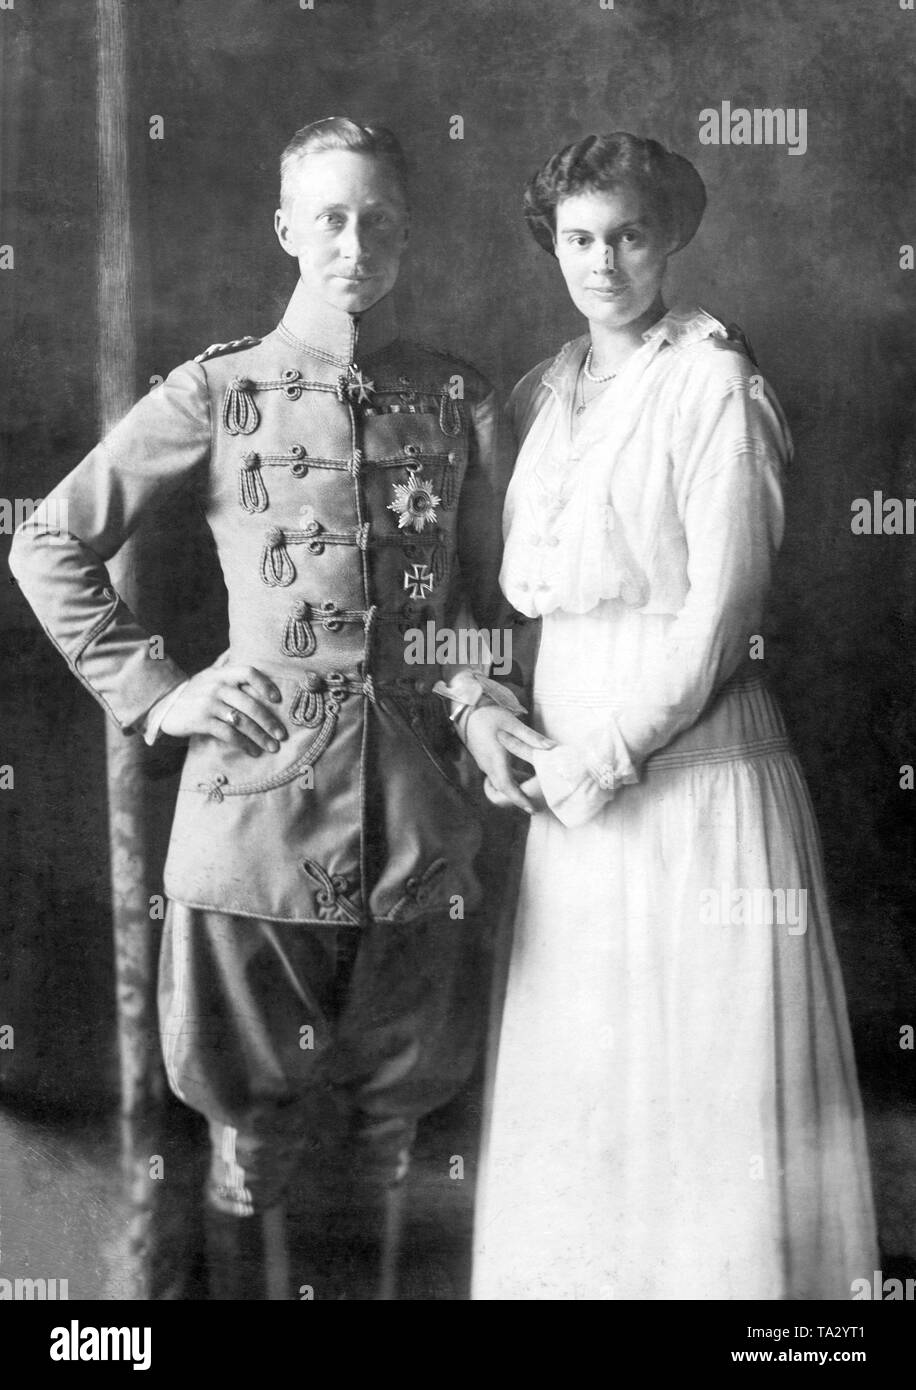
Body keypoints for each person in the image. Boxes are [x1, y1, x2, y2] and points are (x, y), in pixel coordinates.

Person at [9, 116, 545, 1300]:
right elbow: (49, 540)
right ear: (287, 231)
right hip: (252, 818)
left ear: (404, 236)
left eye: (380, 221)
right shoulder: (217, 389)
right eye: (333, 219)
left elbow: (491, 600)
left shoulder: (455, 397)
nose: (357, 244)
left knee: (393, 1128)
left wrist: (475, 697)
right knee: (250, 1134)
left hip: (418, 821)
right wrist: (162, 689)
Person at [468, 132, 878, 1300]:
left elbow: (721, 616)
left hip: (687, 783)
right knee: (589, 1101)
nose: (603, 262)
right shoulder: (546, 393)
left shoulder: (711, 381)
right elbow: (523, 597)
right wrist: (496, 715)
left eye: (629, 236)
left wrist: (602, 755)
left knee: (701, 1114)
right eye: (580, 238)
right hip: (571, 796)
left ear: (673, 238)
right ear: (552, 243)